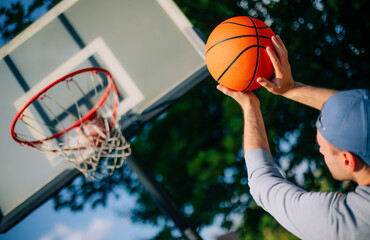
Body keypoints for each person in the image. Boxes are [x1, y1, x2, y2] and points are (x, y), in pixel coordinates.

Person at [217, 35, 370, 240]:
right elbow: (356, 109)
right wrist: (289, 88)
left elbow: (262, 183)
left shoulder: (345, 224)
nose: (320, 149)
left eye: (322, 146)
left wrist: (249, 106)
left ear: (348, 160)